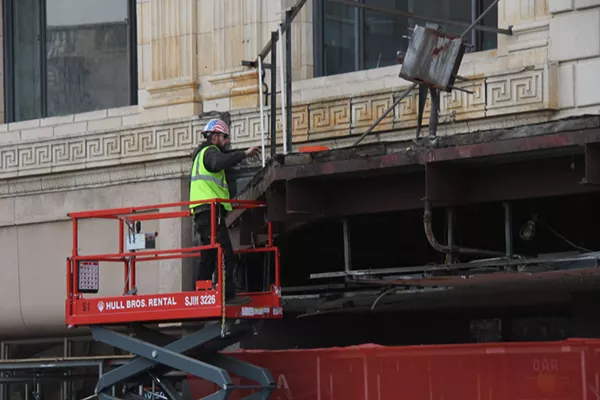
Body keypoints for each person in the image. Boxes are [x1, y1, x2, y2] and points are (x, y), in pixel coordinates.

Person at [189, 118, 259, 305]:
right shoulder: (210, 152)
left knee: (209, 256)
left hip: (203, 213)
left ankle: (200, 293)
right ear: (214, 137)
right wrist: (244, 154)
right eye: (224, 137)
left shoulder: (200, 155)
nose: (227, 141)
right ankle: (227, 295)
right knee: (225, 252)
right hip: (210, 212)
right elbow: (219, 162)